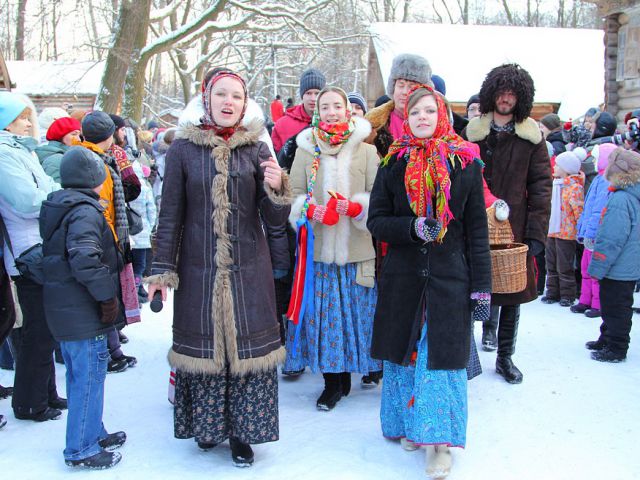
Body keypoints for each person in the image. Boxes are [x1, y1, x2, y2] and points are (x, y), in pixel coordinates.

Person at [146, 69, 291, 467]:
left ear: (246, 104)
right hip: (199, 270)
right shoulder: (183, 150)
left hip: (249, 269)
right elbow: (170, 215)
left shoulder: (258, 150)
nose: (229, 102)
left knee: (245, 351)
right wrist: (161, 272)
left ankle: (244, 435)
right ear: (206, 100)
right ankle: (209, 429)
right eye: (221, 95)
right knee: (208, 349)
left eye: (237, 97)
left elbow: (274, 221)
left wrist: (278, 188)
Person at [368, 84, 491, 478]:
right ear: (407, 118)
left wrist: (482, 288)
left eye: (429, 111)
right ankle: (410, 426)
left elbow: (476, 234)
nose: (422, 117)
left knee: (441, 360)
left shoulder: (467, 166)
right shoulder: (393, 163)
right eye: (415, 112)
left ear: (442, 116)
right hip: (404, 279)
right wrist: (412, 227)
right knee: (406, 355)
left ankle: (439, 443)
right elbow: (377, 221)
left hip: (449, 280)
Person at [283, 86, 381, 408]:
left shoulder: (367, 152)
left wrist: (357, 209)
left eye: (337, 106)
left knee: (354, 318)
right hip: (319, 252)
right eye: (325, 107)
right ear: (317, 112)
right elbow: (293, 194)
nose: (332, 112)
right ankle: (332, 383)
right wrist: (309, 210)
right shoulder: (306, 150)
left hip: (356, 250)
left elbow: (378, 198)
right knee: (324, 321)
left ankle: (352, 375)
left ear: (348, 110)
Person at [463, 63, 552, 384]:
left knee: (513, 294)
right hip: (474, 226)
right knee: (470, 291)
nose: (506, 98)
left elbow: (542, 186)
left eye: (513, 93)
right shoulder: (472, 133)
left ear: (522, 97)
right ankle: (466, 354)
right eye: (501, 92)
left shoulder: (532, 138)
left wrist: (536, 233)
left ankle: (505, 357)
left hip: (516, 229)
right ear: (492, 93)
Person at [40, 147, 126, 469]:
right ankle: (82, 447)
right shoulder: (84, 212)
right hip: (82, 310)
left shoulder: (63, 205)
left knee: (86, 374)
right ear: (94, 177)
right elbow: (84, 259)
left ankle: (92, 430)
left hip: (68, 308)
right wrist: (106, 297)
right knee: (88, 376)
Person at [0, 91, 65, 422]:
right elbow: (26, 202)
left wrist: (52, 193)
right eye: (22, 117)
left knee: (46, 329)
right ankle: (29, 403)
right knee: (36, 331)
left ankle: (46, 394)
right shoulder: (3, 155)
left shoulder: (19, 151)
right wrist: (57, 196)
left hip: (38, 244)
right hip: (25, 252)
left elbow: (46, 187)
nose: (29, 123)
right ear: (6, 122)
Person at [76, 111, 139, 372]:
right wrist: (112, 240)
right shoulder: (95, 162)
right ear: (110, 134)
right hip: (105, 239)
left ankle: (112, 348)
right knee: (105, 297)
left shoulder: (99, 157)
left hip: (107, 236)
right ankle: (109, 352)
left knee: (109, 296)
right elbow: (102, 207)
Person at [586, 148, 640, 362]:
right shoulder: (627, 196)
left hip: (619, 266)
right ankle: (606, 338)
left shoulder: (621, 199)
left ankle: (617, 347)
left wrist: (599, 265)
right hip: (624, 264)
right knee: (611, 304)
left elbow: (611, 238)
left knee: (616, 307)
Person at [573, 143, 617, 318]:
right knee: (585, 268)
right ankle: (585, 299)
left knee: (596, 271)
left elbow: (599, 210)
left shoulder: (607, 180)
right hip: (589, 233)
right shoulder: (599, 178)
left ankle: (598, 304)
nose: (595, 160)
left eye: (598, 157)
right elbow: (588, 207)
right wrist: (582, 228)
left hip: (597, 235)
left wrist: (590, 232)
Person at [365, 53, 432, 158]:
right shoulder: (372, 125)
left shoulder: (434, 125)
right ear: (393, 87)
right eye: (401, 85)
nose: (404, 92)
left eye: (411, 87)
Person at [541, 151, 584, 307]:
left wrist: (580, 229)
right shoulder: (554, 185)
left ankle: (567, 294)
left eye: (558, 165)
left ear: (566, 168)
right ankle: (552, 291)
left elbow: (578, 211)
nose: (555, 167)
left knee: (564, 264)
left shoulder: (574, 188)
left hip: (566, 232)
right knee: (550, 262)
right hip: (551, 230)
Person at [271, 68, 326, 153]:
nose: (313, 98)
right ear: (302, 95)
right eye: (308, 93)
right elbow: (274, 160)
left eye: (317, 93)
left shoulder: (332, 122)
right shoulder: (282, 124)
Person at [129, 161, 156, 305]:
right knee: (140, 264)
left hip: (127, 232)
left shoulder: (122, 184)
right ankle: (136, 288)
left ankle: (135, 289)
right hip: (142, 231)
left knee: (129, 264)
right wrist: (150, 227)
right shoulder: (144, 187)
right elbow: (151, 211)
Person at [35, 116, 82, 183]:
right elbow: (57, 190)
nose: (79, 139)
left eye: (79, 135)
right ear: (60, 135)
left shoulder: (65, 155)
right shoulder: (55, 159)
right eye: (74, 134)